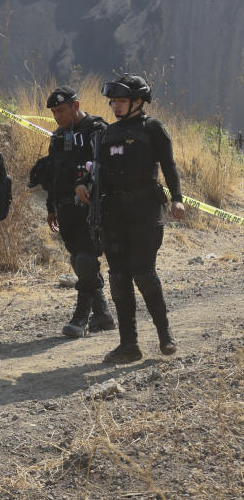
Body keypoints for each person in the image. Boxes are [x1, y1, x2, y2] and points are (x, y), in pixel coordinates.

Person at [75, 74, 185, 363]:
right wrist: (84, 183)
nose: (115, 106)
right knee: (118, 278)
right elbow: (96, 169)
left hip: (146, 212)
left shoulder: (153, 129)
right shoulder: (107, 134)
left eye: (121, 101)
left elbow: (169, 165)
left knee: (144, 274)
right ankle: (129, 345)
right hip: (113, 215)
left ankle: (165, 336)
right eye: (114, 102)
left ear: (138, 102)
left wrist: (177, 198)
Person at [29, 86, 116, 338]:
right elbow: (53, 175)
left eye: (61, 110)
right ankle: (103, 315)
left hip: (91, 207)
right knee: (78, 259)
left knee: (85, 259)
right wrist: (50, 208)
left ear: (75, 106)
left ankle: (80, 319)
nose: (58, 116)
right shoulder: (57, 137)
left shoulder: (96, 130)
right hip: (65, 209)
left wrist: (87, 184)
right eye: (54, 112)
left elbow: (105, 166)